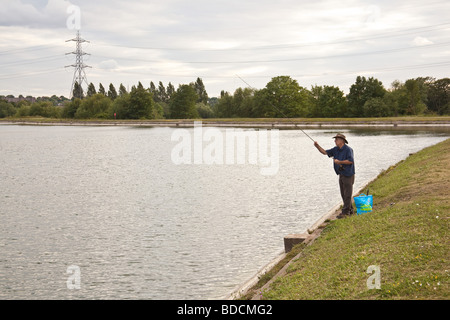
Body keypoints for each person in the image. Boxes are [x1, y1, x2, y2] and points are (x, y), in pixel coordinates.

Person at [314, 133, 355, 219]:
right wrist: (317, 146)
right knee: (343, 194)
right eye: (335, 139)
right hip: (341, 174)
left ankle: (345, 212)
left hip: (348, 174)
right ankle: (350, 210)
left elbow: (350, 161)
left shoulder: (348, 150)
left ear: (342, 141)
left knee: (347, 194)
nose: (335, 141)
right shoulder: (335, 149)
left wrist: (340, 162)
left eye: (336, 139)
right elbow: (325, 152)